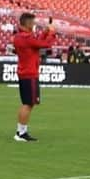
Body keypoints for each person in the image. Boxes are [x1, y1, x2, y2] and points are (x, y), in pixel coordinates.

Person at [12, 12, 56, 142]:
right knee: (28, 104)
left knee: (26, 103)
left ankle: (20, 131)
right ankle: (21, 133)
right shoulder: (26, 37)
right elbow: (45, 45)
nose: (34, 24)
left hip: (24, 72)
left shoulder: (20, 37)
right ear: (28, 24)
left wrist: (45, 33)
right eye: (32, 22)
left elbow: (36, 43)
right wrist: (51, 33)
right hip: (30, 73)